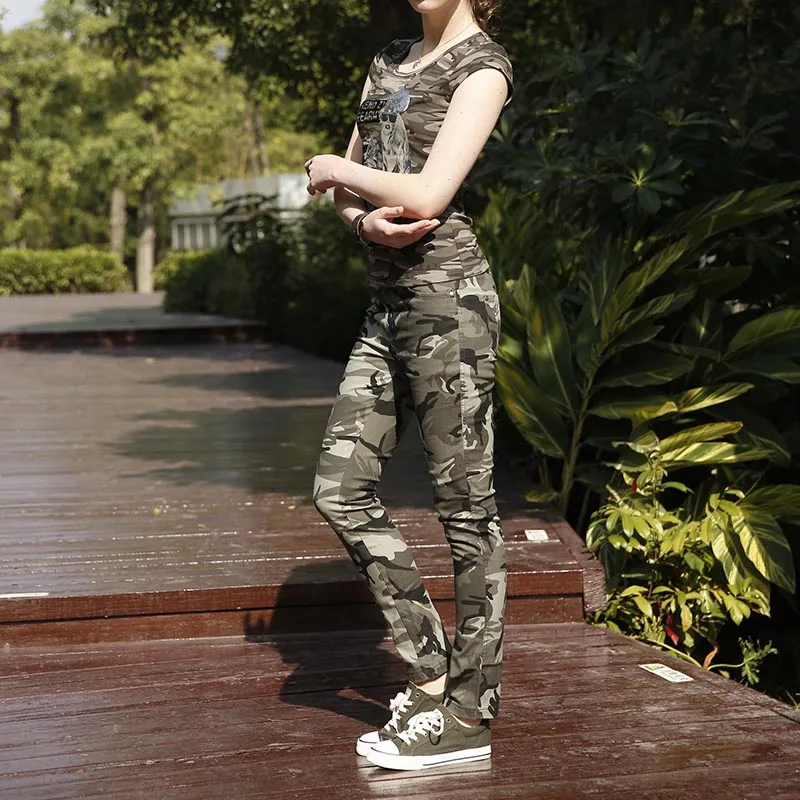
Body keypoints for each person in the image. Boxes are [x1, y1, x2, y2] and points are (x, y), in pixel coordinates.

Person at [305, 0, 512, 772]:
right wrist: (360, 220)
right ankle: (431, 673)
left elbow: (427, 193)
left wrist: (332, 168)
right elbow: (353, 199)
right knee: (339, 488)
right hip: (386, 306)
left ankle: (469, 713)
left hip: (449, 305)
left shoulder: (483, 69)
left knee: (467, 512)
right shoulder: (388, 60)